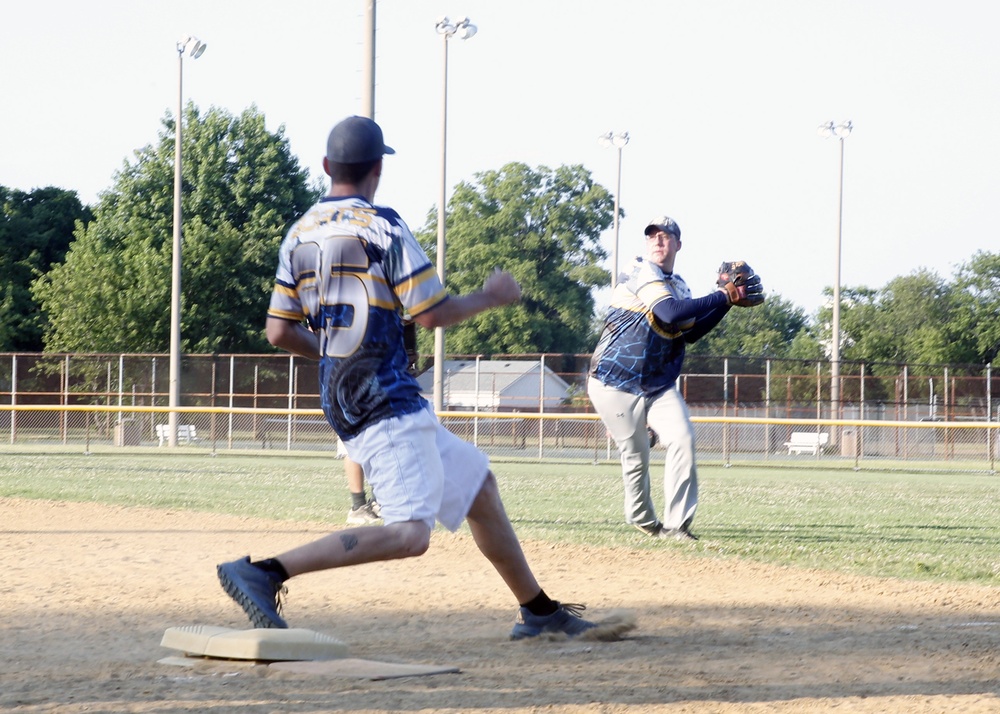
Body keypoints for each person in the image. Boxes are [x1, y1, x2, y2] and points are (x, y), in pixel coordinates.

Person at [217, 115, 603, 640]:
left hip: (343, 393)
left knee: (477, 487)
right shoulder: (383, 225)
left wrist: (332, 353)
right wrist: (492, 297)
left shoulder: (298, 233)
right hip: (384, 396)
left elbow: (277, 331)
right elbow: (430, 313)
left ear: (328, 167)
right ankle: (266, 571)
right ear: (378, 168)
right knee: (410, 533)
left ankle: (537, 610)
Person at [587, 216, 763, 541]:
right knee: (636, 457)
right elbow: (668, 313)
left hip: (656, 384)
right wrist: (724, 295)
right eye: (652, 235)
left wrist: (729, 303)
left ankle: (677, 525)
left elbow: (690, 331)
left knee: (682, 439)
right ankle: (644, 520)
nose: (658, 241)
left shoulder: (680, 285)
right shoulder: (639, 269)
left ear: (678, 244)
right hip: (613, 381)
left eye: (665, 236)